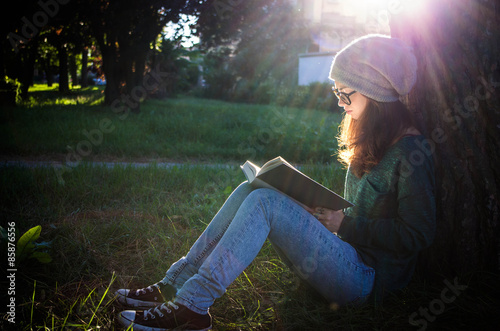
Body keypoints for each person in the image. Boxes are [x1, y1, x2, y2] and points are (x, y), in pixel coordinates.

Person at [115, 34, 436, 331]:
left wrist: (344, 224)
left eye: (344, 92)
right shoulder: (372, 138)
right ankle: (174, 284)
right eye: (335, 92)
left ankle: (191, 308)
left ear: (375, 92)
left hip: (369, 279)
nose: (339, 102)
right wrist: (315, 209)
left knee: (265, 203)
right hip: (343, 255)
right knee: (252, 188)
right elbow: (360, 213)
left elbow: (419, 234)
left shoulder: (411, 152)